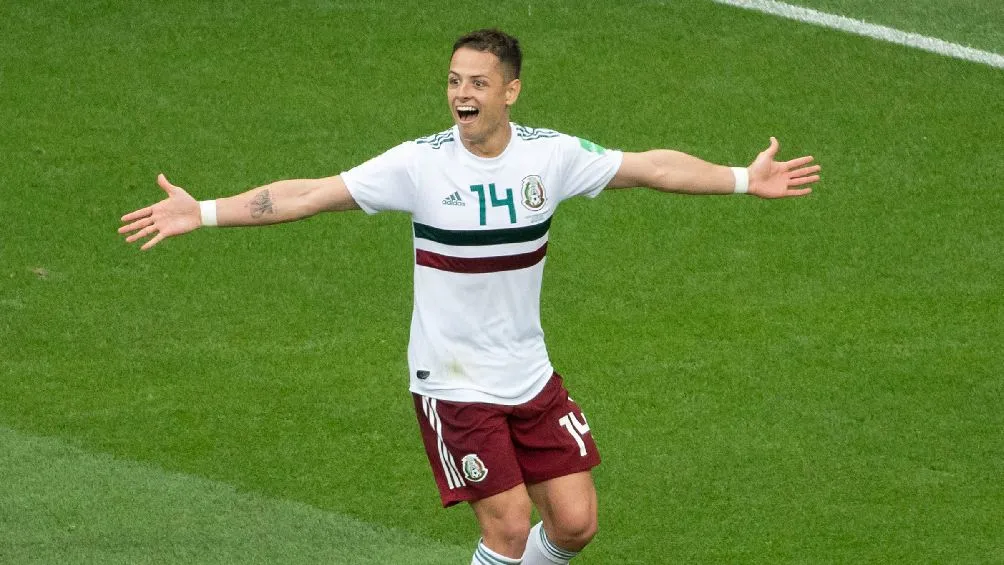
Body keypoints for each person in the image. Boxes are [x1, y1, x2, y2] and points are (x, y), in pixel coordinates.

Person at [120, 28, 819, 565]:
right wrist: (202, 211)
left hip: (529, 372)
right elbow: (307, 194)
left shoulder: (549, 156)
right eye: (455, 80)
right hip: (453, 381)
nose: (463, 93)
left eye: (479, 82)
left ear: (510, 91)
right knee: (508, 525)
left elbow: (652, 167)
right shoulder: (420, 164)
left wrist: (741, 178)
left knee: (575, 523)